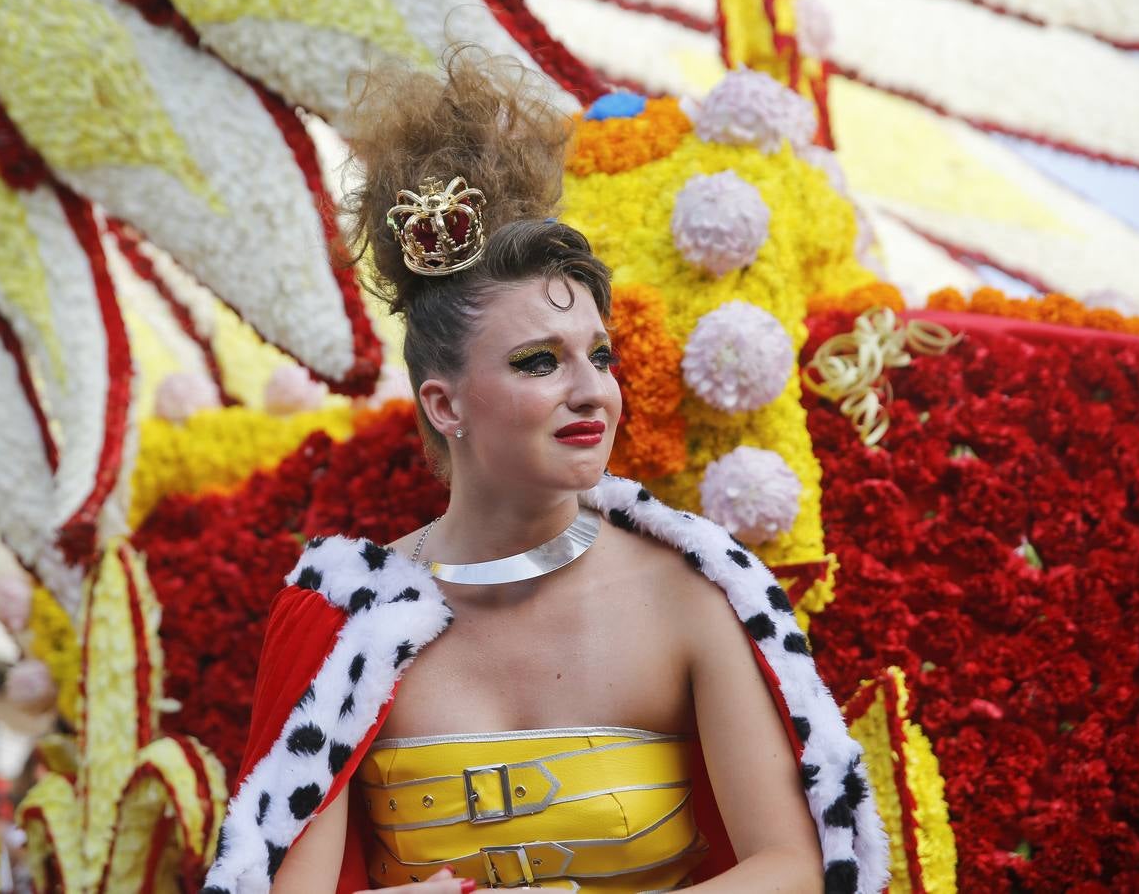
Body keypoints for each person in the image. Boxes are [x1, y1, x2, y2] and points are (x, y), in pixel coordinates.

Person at [202, 51, 887, 894]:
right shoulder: (344, 622)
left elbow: (797, 866)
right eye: (538, 362)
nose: (591, 389)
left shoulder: (696, 592)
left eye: (597, 355)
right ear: (444, 406)